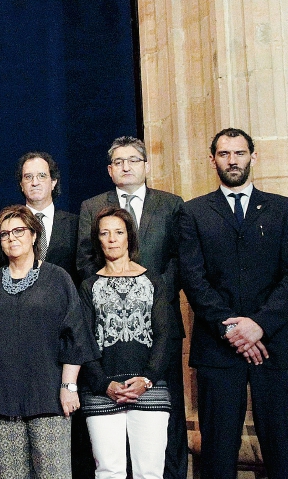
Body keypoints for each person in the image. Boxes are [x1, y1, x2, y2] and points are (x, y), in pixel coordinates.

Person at [179, 128, 288, 479]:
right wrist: (232, 328)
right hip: (218, 350)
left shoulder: (284, 209)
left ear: (253, 156)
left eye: (239, 153)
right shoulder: (193, 213)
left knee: (283, 450)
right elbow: (194, 280)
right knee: (217, 454)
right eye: (224, 154)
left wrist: (258, 325)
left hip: (274, 345)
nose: (232, 161)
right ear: (212, 159)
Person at [76, 137, 186, 479]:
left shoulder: (170, 204)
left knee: (163, 439)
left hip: (157, 328)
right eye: (119, 161)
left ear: (146, 166)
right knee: (108, 462)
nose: (126, 166)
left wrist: (150, 289)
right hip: (104, 334)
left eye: (133, 160)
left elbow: (181, 260)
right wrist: (110, 286)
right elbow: (83, 260)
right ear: (110, 170)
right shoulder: (92, 206)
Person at [0, 205, 97, 479]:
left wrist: (69, 386)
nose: (12, 238)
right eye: (4, 234)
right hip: (4, 398)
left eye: (19, 230)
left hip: (49, 397)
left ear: (34, 235)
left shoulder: (57, 278)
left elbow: (75, 336)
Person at [79, 207, 172, 479]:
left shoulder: (153, 280)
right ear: (97, 239)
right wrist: (102, 384)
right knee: (109, 472)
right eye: (104, 233)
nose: (112, 239)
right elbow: (83, 341)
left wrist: (149, 378)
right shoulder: (88, 286)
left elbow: (164, 334)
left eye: (118, 232)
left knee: (150, 473)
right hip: (102, 391)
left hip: (149, 390)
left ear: (129, 237)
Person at [17, 152, 78, 282]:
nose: (35, 182)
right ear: (21, 185)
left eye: (42, 176)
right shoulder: (10, 225)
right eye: (28, 177)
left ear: (53, 182)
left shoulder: (74, 224)